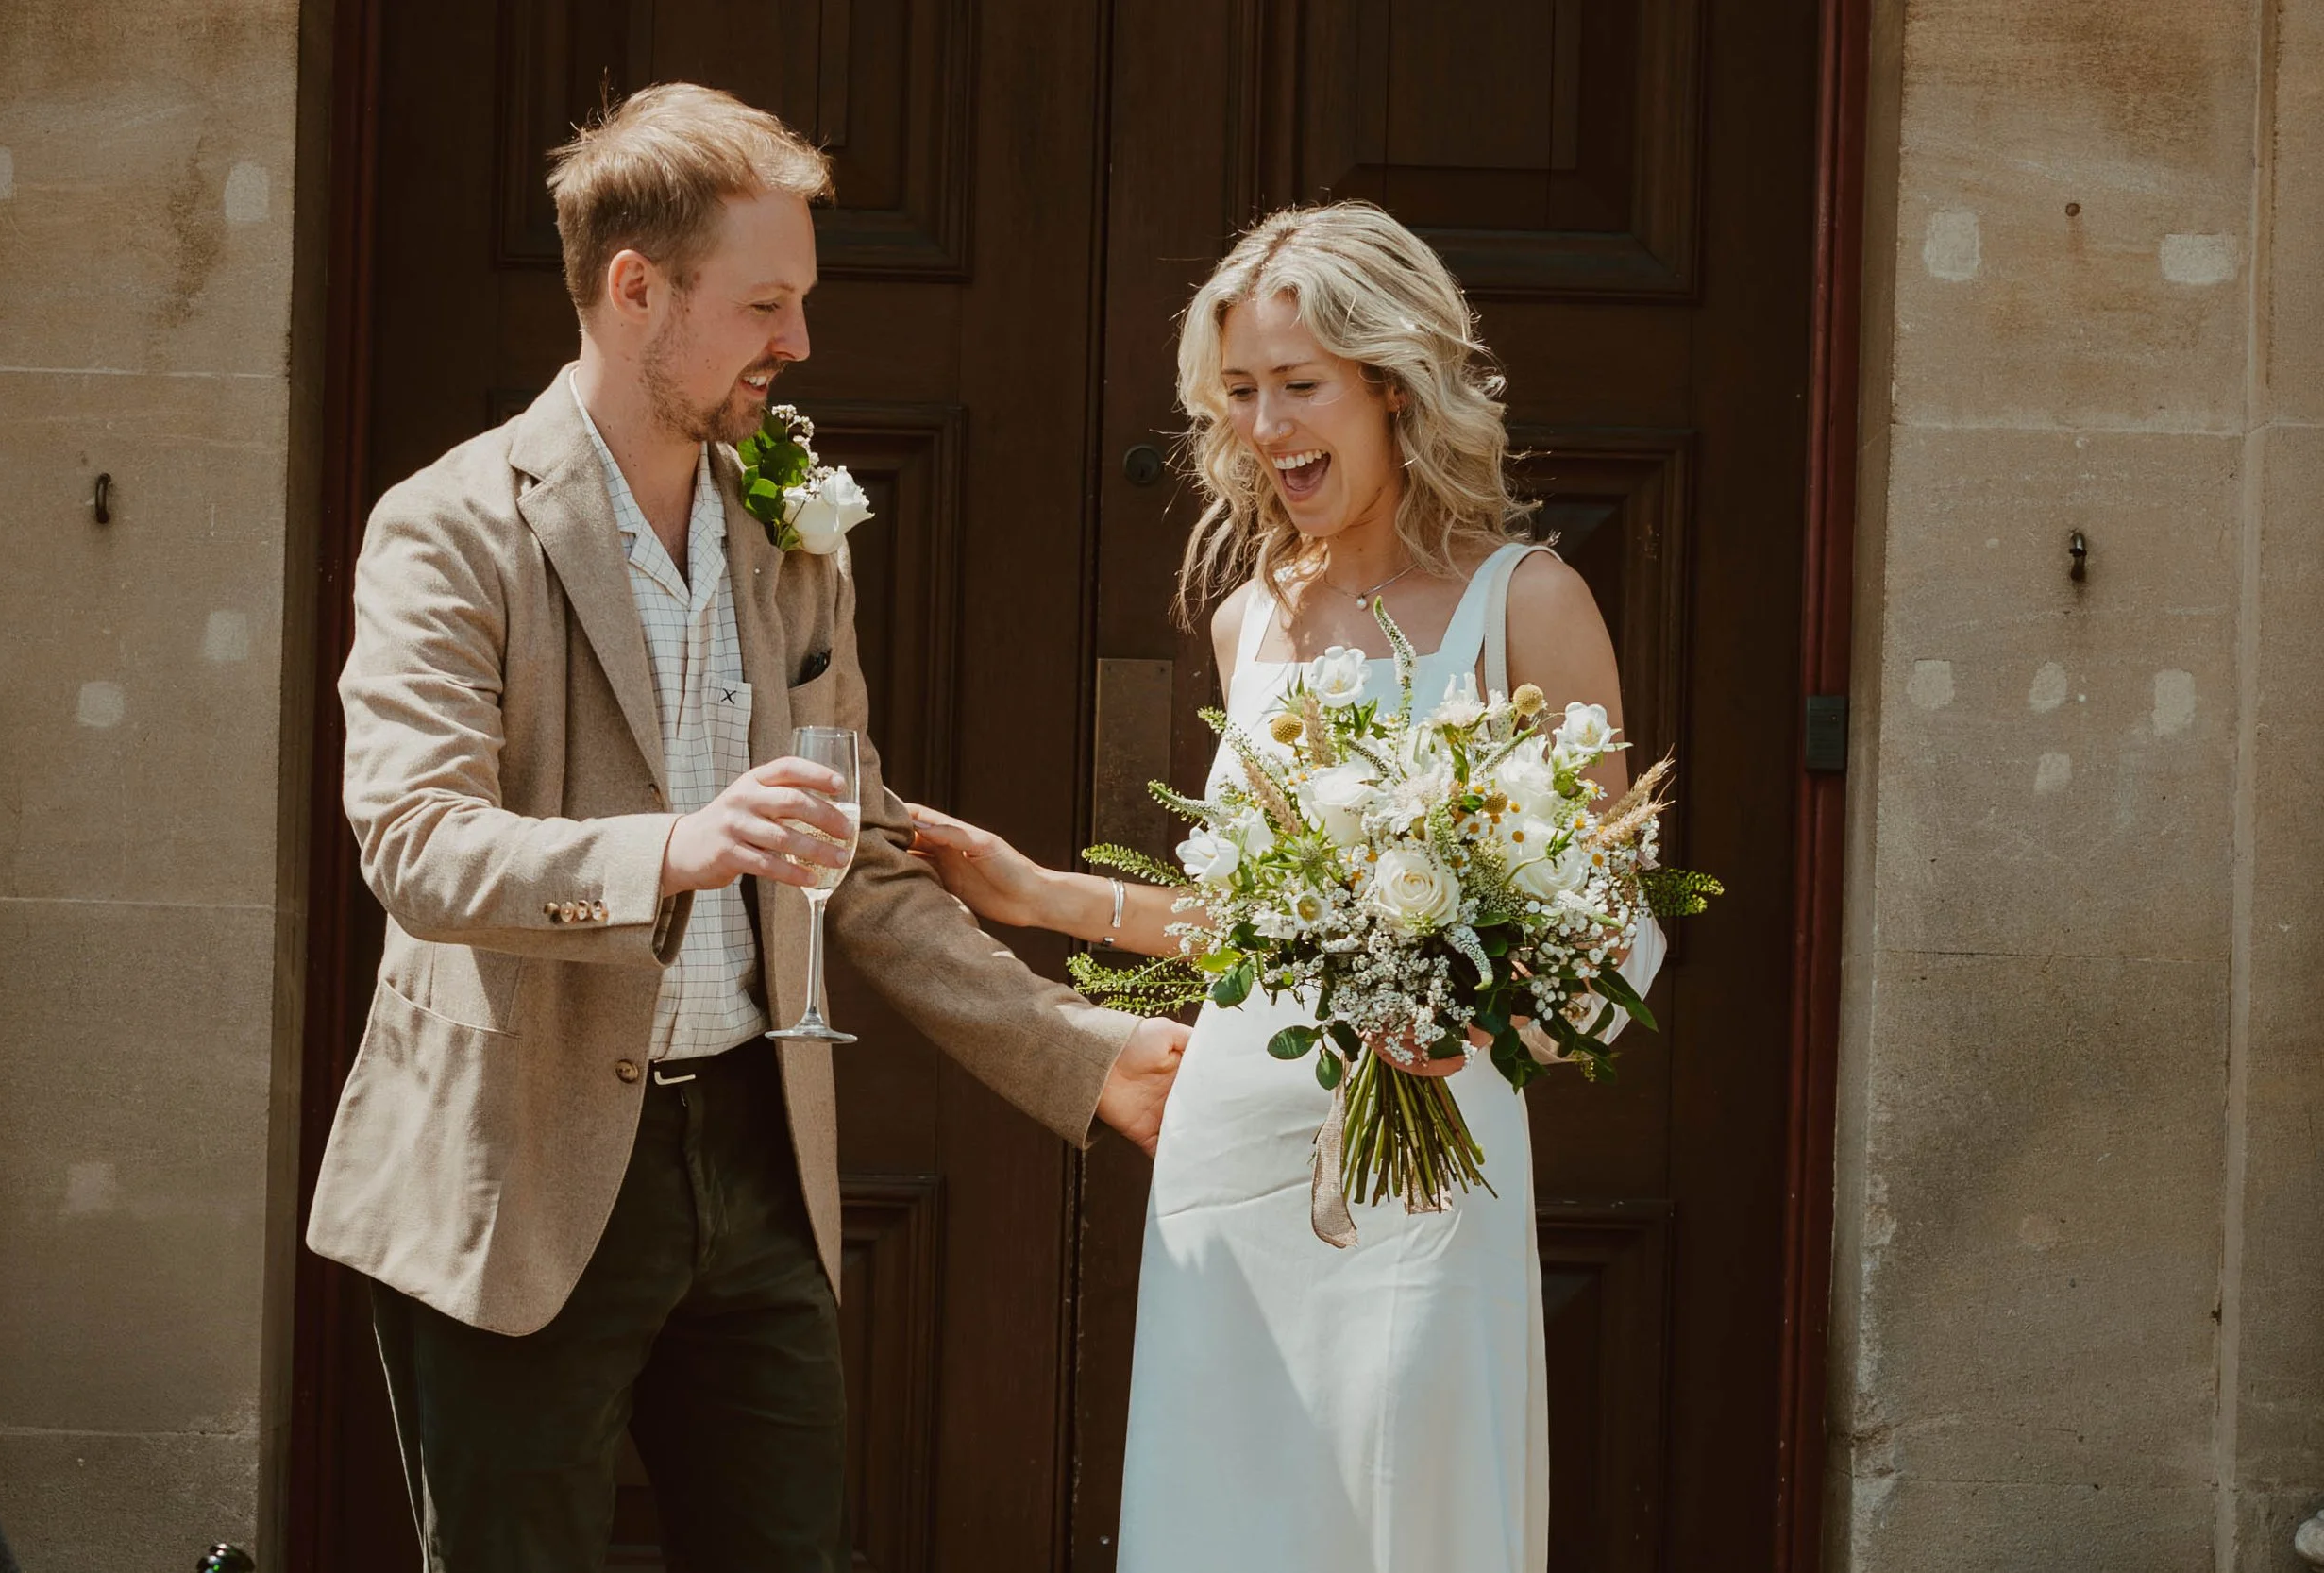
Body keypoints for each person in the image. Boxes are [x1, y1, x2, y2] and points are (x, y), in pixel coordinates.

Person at [304, 83, 1187, 1573]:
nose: (798, 343)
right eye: (766, 303)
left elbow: (852, 863)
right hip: (519, 1175)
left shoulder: (791, 536)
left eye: (801, 303)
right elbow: (417, 841)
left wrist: (1084, 1053)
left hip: (759, 1157)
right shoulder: (447, 529)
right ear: (636, 290)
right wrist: (670, 846)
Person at [910, 202, 1665, 1571]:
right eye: (1240, 393)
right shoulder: (1249, 615)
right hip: (1236, 1147)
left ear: (1394, 386)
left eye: (1299, 387)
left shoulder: (1528, 602)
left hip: (1431, 1157)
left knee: (1411, 1515)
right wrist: (1039, 895)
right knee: (1229, 1523)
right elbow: (1256, 933)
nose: (1266, 428)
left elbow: (1612, 921)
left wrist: (1478, 1029)